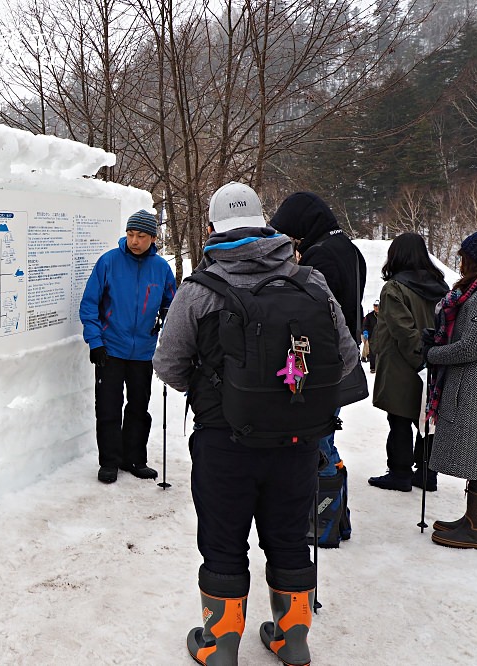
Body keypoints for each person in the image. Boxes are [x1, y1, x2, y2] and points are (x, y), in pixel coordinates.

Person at [153, 182, 358, 666]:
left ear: (211, 230)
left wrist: (216, 389)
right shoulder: (312, 282)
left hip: (224, 442)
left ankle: (221, 646)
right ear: (267, 226)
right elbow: (346, 359)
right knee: (289, 537)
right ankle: (293, 639)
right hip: (298, 441)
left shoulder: (198, 291)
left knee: (224, 540)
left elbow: (168, 365)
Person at [269, 192, 365, 548]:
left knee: (319, 444)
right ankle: (338, 520)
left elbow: (311, 311)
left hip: (320, 366)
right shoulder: (348, 249)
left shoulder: (321, 254)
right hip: (339, 360)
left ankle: (324, 520)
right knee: (324, 437)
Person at [80, 209, 176, 484]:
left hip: (143, 351)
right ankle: (109, 461)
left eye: (141, 236)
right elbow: (89, 305)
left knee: (138, 407)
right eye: (131, 234)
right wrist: (95, 341)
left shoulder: (161, 268)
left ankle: (133, 458)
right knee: (109, 407)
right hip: (110, 348)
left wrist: (165, 325)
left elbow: (172, 305)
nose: (134, 240)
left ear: (153, 238)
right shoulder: (108, 262)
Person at [424, 228, 477, 549]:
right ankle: (473, 520)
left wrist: (432, 352)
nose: (461, 262)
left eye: (465, 256)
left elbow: (470, 348)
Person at [368, 233, 448, 491]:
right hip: (434, 362)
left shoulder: (394, 288)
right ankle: (427, 473)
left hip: (403, 364)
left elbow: (402, 329)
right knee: (427, 419)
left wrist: (420, 358)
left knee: (400, 418)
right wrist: (432, 359)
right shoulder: (441, 287)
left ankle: (400, 473)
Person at [363, 301, 380, 372]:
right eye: (375, 306)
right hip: (372, 337)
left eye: (378, 306)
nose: (376, 307)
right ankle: (373, 367)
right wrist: (365, 332)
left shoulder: (385, 315)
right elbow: (365, 325)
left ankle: (381, 367)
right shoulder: (369, 316)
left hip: (382, 336)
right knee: (372, 351)